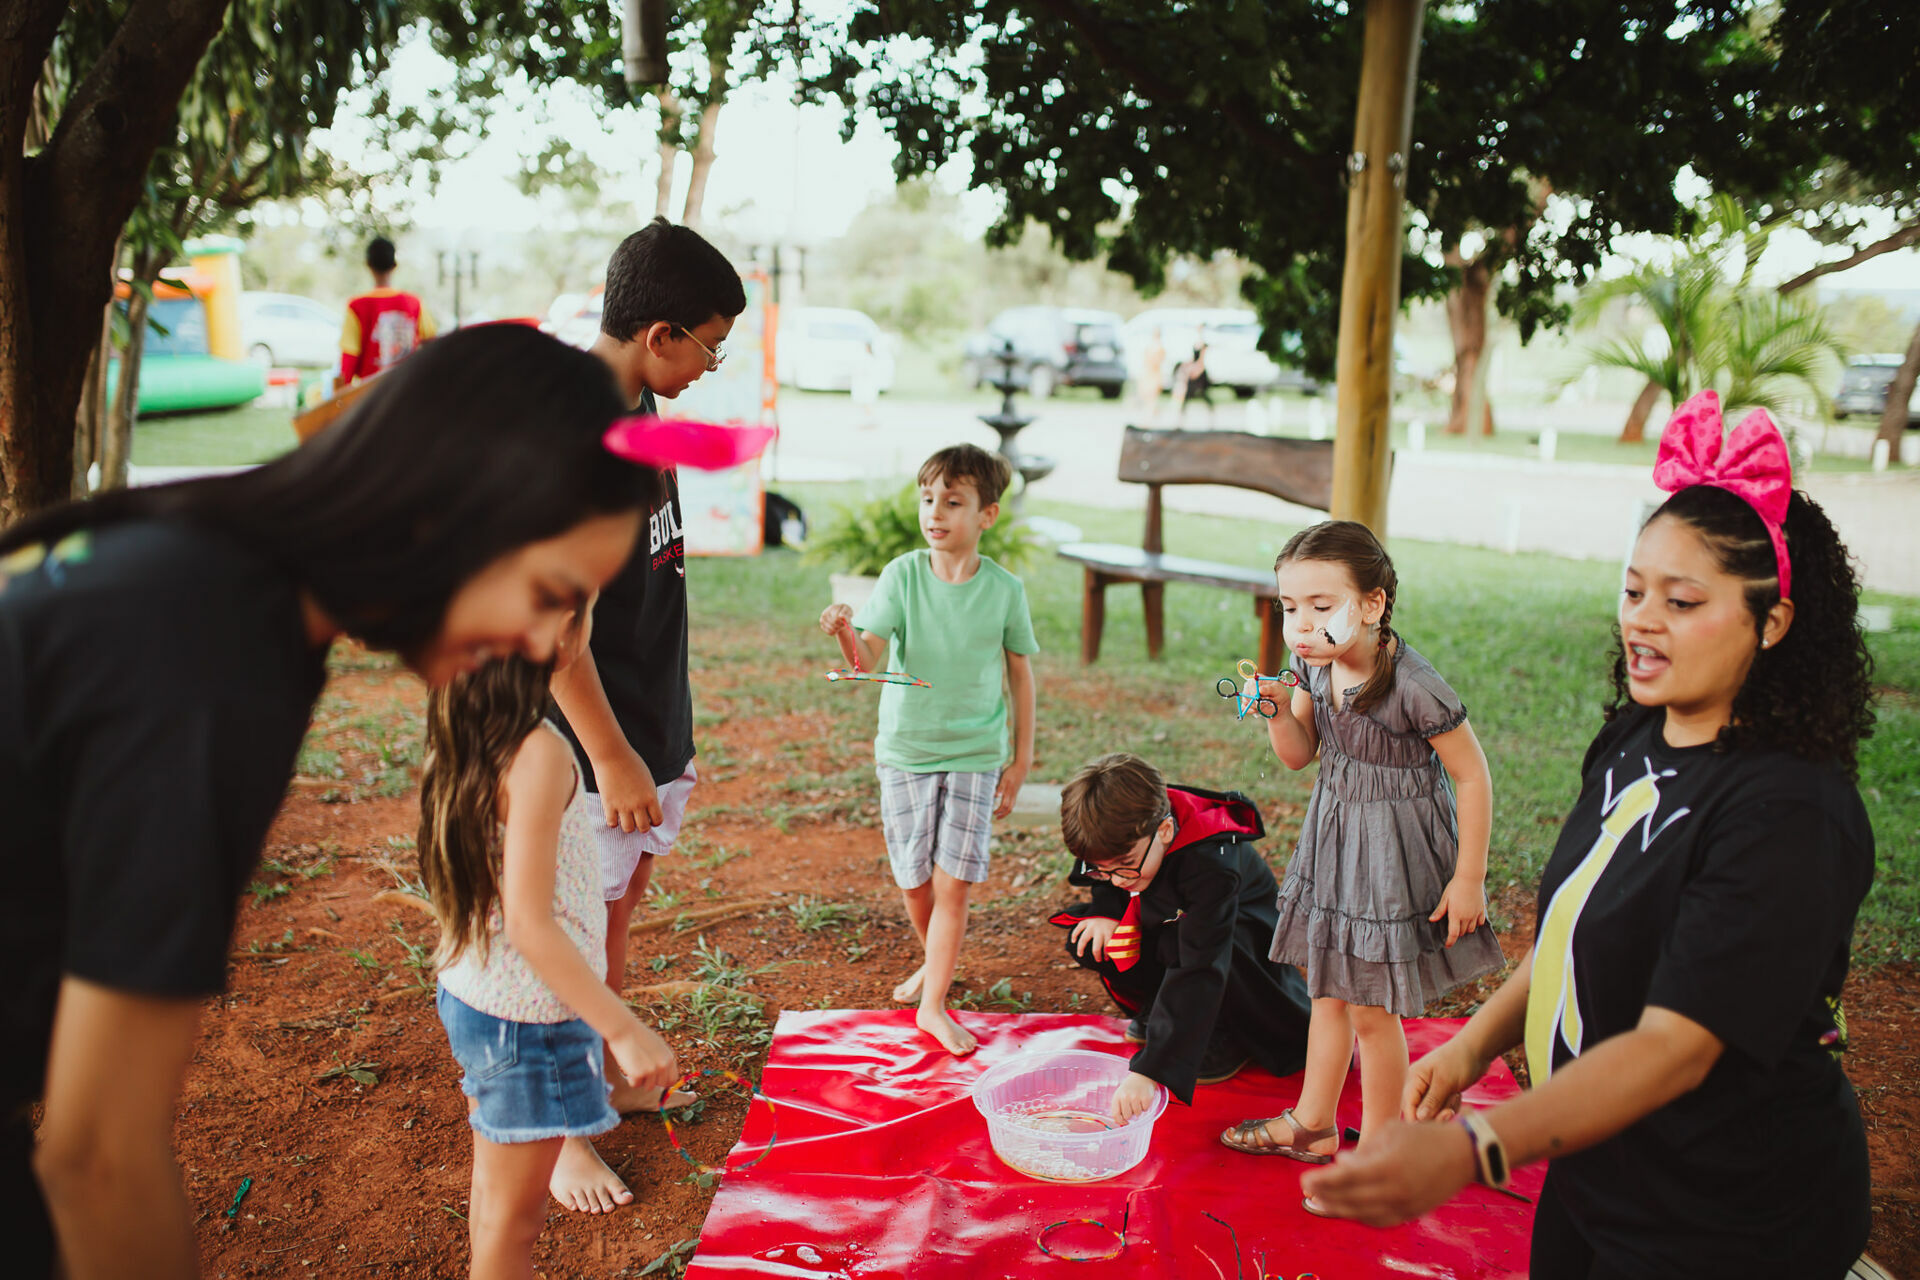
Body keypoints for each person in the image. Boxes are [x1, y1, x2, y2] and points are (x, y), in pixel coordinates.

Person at [0, 324, 669, 1279]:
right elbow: (99, 1157)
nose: (540, 646)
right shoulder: (211, 649)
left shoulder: (193, 559)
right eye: (548, 592)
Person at [1299, 391, 1877, 1280]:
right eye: (1635, 590)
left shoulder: (1790, 816)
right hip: (1599, 1170)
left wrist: (1473, 1150)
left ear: (1774, 622)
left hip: (1726, 1215)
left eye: (1682, 602)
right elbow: (1574, 929)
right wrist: (1471, 1044)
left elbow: (1676, 1047)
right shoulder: (1638, 736)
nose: (1641, 620)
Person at [545, 216, 745, 1212]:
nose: (715, 363)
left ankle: (603, 1079)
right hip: (591, 752)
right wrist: (614, 756)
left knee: (611, 926)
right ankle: (561, 1135)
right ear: (661, 332)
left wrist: (659, 742)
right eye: (710, 343)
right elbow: (556, 627)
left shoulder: (635, 408)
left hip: (647, 727)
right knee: (569, 940)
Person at [1221, 519, 1502, 1217]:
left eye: (1322, 605)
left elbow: (1472, 777)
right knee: (1326, 990)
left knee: (1373, 1013)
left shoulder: (1414, 684)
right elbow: (1299, 753)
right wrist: (1278, 711)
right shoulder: (1316, 665)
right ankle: (1313, 1126)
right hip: (1336, 838)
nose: (1302, 622)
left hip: (1394, 851)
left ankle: (1379, 1156)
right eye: (1290, 607)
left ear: (1373, 604)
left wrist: (1468, 877)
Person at [420, 625, 678, 1280]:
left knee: (494, 1197)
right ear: (562, 632)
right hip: (529, 1022)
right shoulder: (539, 752)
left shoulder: (466, 715)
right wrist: (623, 1031)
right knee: (514, 1227)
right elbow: (532, 927)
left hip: (476, 994)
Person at [818, 444, 1038, 1056]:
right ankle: (932, 967)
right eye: (927, 499)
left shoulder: (1003, 590)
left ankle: (933, 1004)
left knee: (953, 884)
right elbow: (867, 663)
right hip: (906, 751)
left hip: (976, 752)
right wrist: (843, 634)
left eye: (953, 501)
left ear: (987, 515)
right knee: (916, 882)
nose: (935, 512)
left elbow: (1020, 675)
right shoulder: (902, 575)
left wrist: (1020, 760)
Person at [1049, 752, 1314, 1118]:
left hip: (1239, 950)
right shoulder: (1123, 835)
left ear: (1165, 831)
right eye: (1101, 870)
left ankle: (1223, 1035)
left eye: (1125, 866)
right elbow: (1112, 874)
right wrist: (1106, 914)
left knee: (1182, 941)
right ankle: (1157, 1010)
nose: (1118, 879)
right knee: (1089, 936)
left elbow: (1200, 964)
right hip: (1173, 923)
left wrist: (1151, 1069)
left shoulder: (1212, 861)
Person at [335, 236, 437, 389]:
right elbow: (431, 342)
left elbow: (349, 357)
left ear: (368, 264)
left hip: (370, 396)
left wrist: (340, 397)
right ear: (394, 265)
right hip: (406, 391)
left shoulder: (356, 306)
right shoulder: (414, 303)